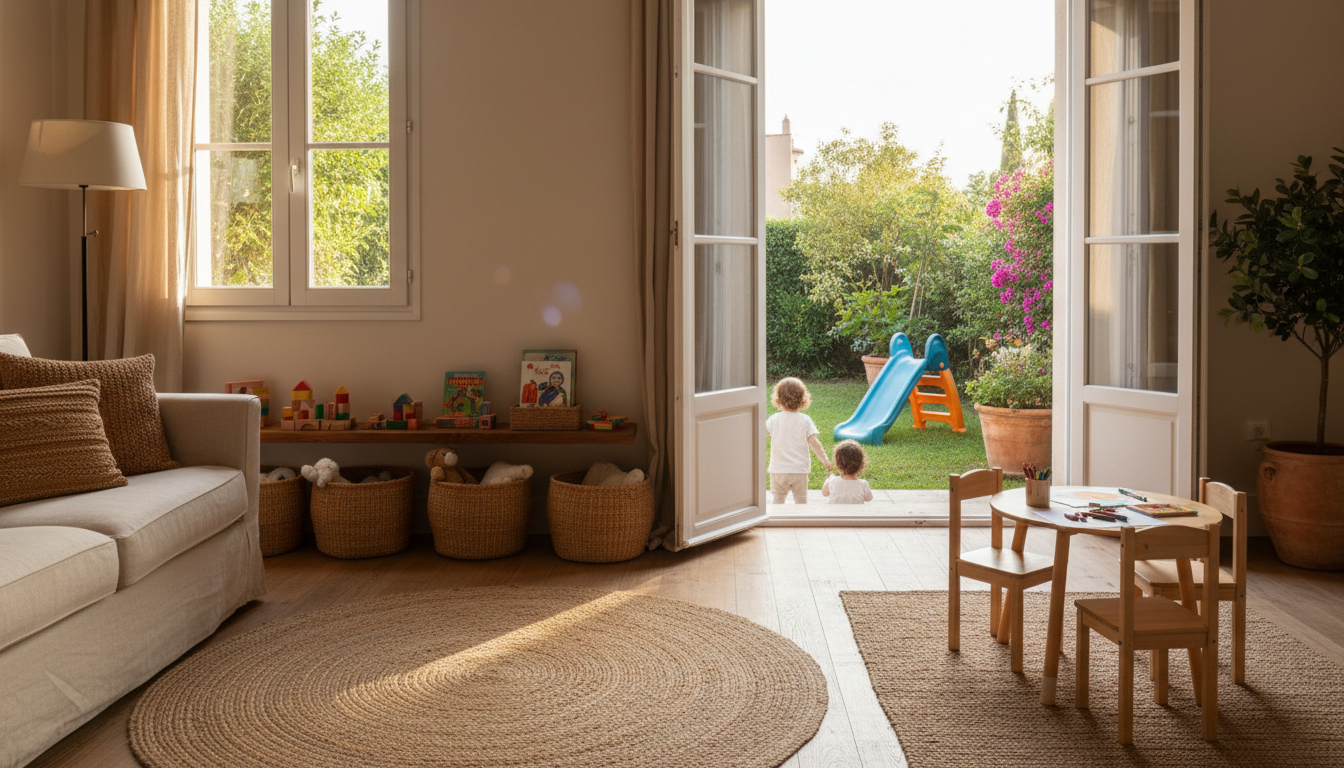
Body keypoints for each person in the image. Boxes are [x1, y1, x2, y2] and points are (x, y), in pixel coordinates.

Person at [765, 378, 831, 504]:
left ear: (778, 398)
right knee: (801, 501)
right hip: (799, 470)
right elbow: (814, 443)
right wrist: (825, 460)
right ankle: (801, 522)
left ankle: (778, 521)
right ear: (803, 399)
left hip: (778, 470)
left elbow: (759, 433)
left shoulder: (774, 419)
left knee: (778, 499)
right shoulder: (805, 420)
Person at [822, 440, 874, 505]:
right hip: (856, 514)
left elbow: (824, 493)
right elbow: (868, 499)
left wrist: (829, 478)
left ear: (837, 464)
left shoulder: (832, 481)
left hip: (836, 514)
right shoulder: (863, 484)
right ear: (861, 464)